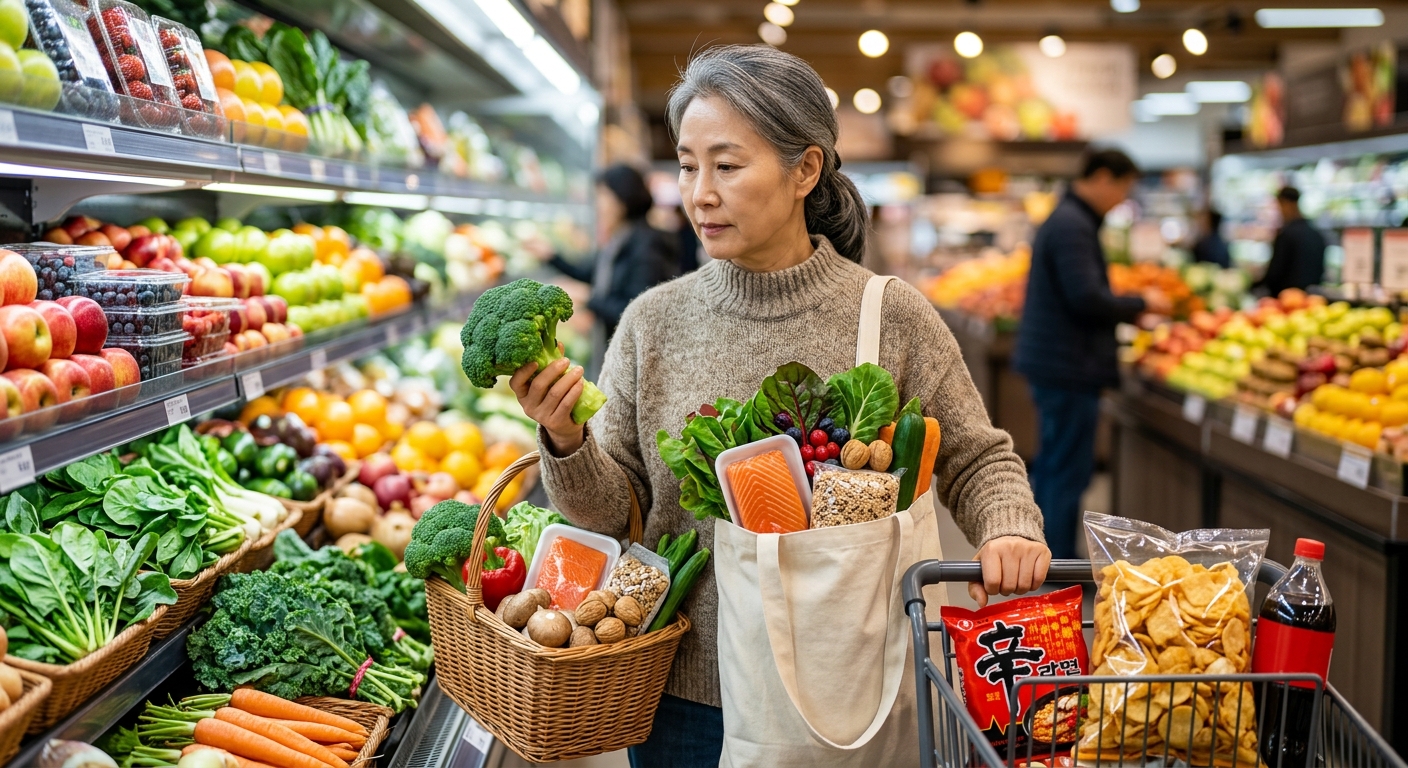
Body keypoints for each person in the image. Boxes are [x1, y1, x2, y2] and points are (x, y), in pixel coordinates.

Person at [509, 45, 1050, 767]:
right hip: (682, 699)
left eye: (727, 166)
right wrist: (566, 439)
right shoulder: (651, 322)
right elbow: (615, 515)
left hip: (844, 692)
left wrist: (1008, 529)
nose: (699, 192)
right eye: (687, 164)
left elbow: (978, 456)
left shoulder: (887, 314)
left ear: (805, 170)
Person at [1014, 150, 1170, 561]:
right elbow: (1084, 296)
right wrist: (1140, 303)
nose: (1122, 199)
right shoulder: (1072, 225)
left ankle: (1047, 555)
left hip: (1059, 362)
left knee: (1055, 464)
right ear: (1102, 178)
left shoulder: (1069, 218)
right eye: (1123, 188)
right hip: (1067, 364)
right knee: (1065, 469)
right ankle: (1057, 562)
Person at [535, 163, 679, 378]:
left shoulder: (647, 244)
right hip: (615, 350)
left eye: (604, 195)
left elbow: (635, 309)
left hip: (637, 363)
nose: (599, 204)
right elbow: (591, 274)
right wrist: (551, 256)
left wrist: (587, 297)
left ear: (622, 198)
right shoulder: (620, 237)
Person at [1253, 186, 1325, 294]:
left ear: (1286, 203)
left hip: (1287, 297)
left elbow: (1275, 273)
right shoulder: (1315, 233)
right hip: (1311, 298)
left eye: (1280, 205)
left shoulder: (1287, 234)